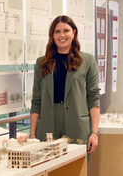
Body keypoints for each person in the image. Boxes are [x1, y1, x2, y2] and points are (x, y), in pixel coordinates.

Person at [30, 15, 100, 154]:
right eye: (57, 32)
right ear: (52, 35)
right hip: (47, 129)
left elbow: (93, 98)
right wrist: (32, 135)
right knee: (48, 173)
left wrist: (94, 132)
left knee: (76, 173)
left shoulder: (87, 60)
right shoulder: (41, 63)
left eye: (66, 30)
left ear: (73, 33)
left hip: (78, 128)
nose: (62, 35)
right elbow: (36, 100)